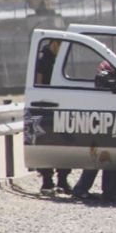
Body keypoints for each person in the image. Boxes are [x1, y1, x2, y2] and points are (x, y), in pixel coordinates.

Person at [72, 39, 116, 200]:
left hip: (112, 117)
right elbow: (108, 84)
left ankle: (109, 191)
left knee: (109, 156)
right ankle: (82, 189)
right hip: (103, 116)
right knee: (99, 156)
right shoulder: (107, 67)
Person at [34, 39, 72, 194]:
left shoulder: (56, 59)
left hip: (58, 105)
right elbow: (39, 83)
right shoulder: (44, 60)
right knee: (46, 143)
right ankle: (47, 180)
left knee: (63, 142)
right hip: (47, 106)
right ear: (54, 44)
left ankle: (62, 179)